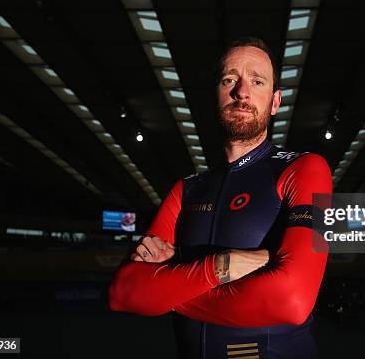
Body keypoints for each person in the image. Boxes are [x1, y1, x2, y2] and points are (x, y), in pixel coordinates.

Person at [108, 37, 332, 358]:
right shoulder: (186, 189)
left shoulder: (308, 169)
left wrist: (167, 291)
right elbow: (122, 292)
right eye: (230, 80)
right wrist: (221, 267)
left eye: (257, 81)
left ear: (275, 101)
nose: (241, 91)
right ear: (215, 95)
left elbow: (293, 301)